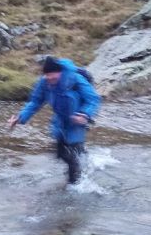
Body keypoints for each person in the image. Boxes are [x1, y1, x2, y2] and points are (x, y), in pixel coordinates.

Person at [8, 56, 101, 184]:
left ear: (60, 72)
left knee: (71, 154)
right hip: (60, 120)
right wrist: (20, 117)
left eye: (54, 76)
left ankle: (74, 185)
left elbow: (93, 99)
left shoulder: (75, 79)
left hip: (77, 119)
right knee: (61, 153)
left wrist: (85, 115)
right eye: (48, 75)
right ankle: (83, 163)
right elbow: (36, 102)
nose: (50, 79)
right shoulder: (44, 82)